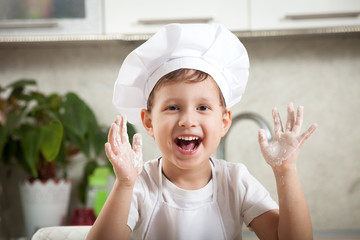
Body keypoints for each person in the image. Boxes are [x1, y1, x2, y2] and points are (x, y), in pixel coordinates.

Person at [86, 23, 318, 240]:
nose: (188, 120)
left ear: (224, 122)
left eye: (203, 107)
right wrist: (124, 184)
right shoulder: (140, 185)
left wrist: (285, 171)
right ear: (148, 122)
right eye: (173, 107)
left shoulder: (236, 182)